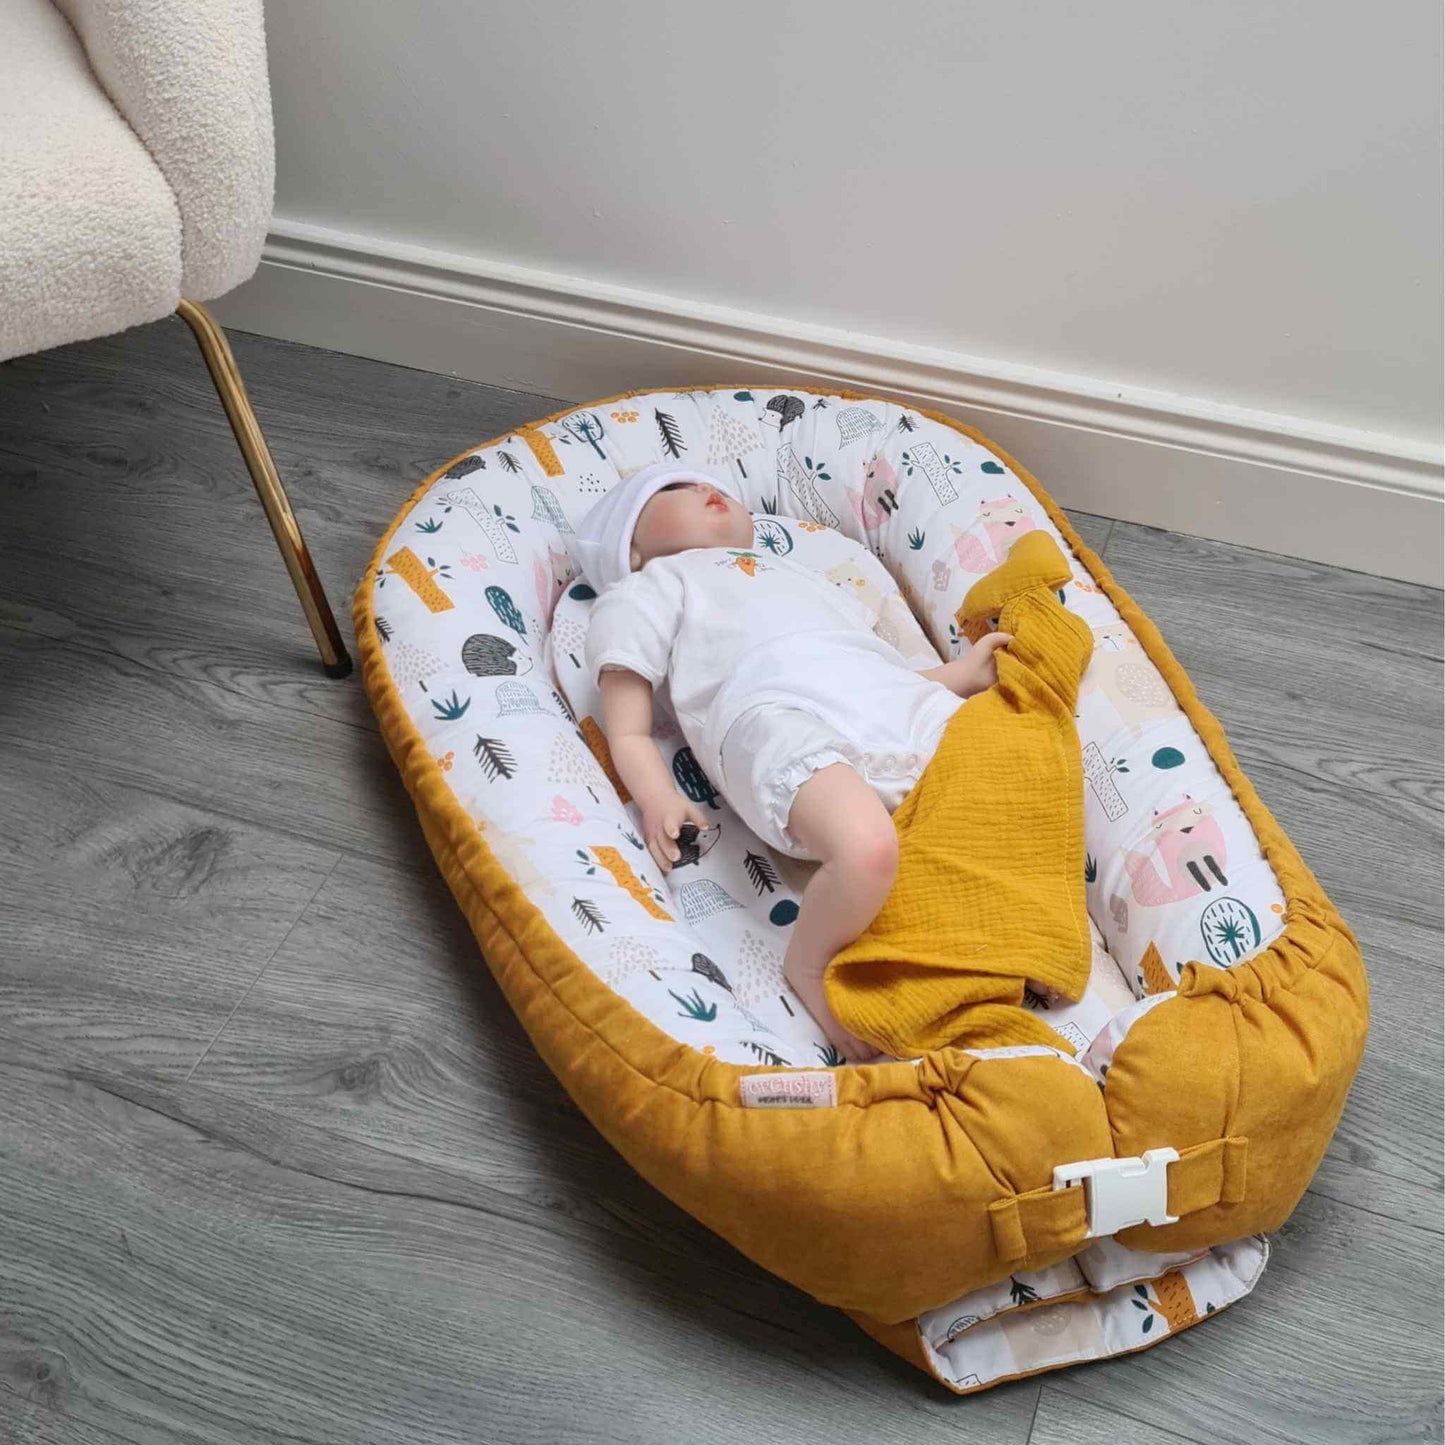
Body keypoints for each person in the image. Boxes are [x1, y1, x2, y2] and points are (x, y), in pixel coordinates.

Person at [573, 462, 1011, 1062]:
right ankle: (809, 963)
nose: (708, 487)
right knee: (868, 848)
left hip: (889, 705)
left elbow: (869, 672)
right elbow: (627, 727)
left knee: (1007, 781)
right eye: (673, 490)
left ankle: (1010, 942)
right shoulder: (655, 585)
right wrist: (656, 796)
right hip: (774, 714)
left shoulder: (797, 574)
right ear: (633, 548)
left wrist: (957, 677)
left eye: (711, 483)